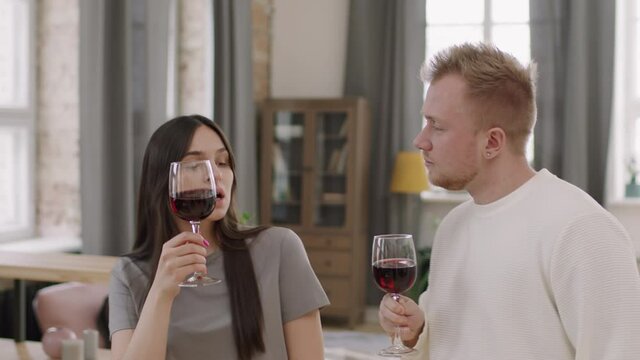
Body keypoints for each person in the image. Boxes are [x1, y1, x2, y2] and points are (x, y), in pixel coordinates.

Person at [378, 43, 640, 359]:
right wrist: (417, 332)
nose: (420, 141)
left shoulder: (582, 230)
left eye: (438, 125)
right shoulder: (453, 226)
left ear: (492, 142)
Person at [109, 115, 329, 360]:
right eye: (194, 165)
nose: (215, 175)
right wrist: (161, 292)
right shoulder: (129, 274)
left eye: (223, 162)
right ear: (163, 182)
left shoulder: (279, 248)